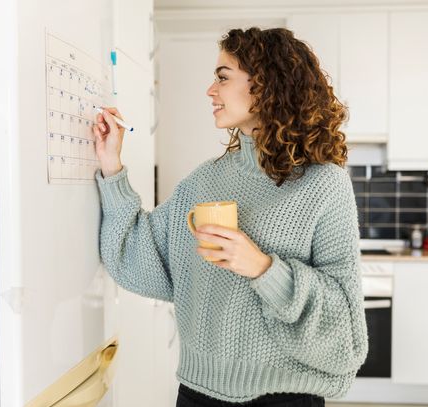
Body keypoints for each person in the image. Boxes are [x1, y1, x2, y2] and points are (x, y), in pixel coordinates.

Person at [93, 27, 368, 407]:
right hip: (196, 394)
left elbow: (345, 335)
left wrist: (264, 269)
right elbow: (139, 257)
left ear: (267, 85)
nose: (210, 90)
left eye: (223, 77)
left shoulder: (324, 186)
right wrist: (112, 167)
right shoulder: (205, 180)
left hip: (282, 399)